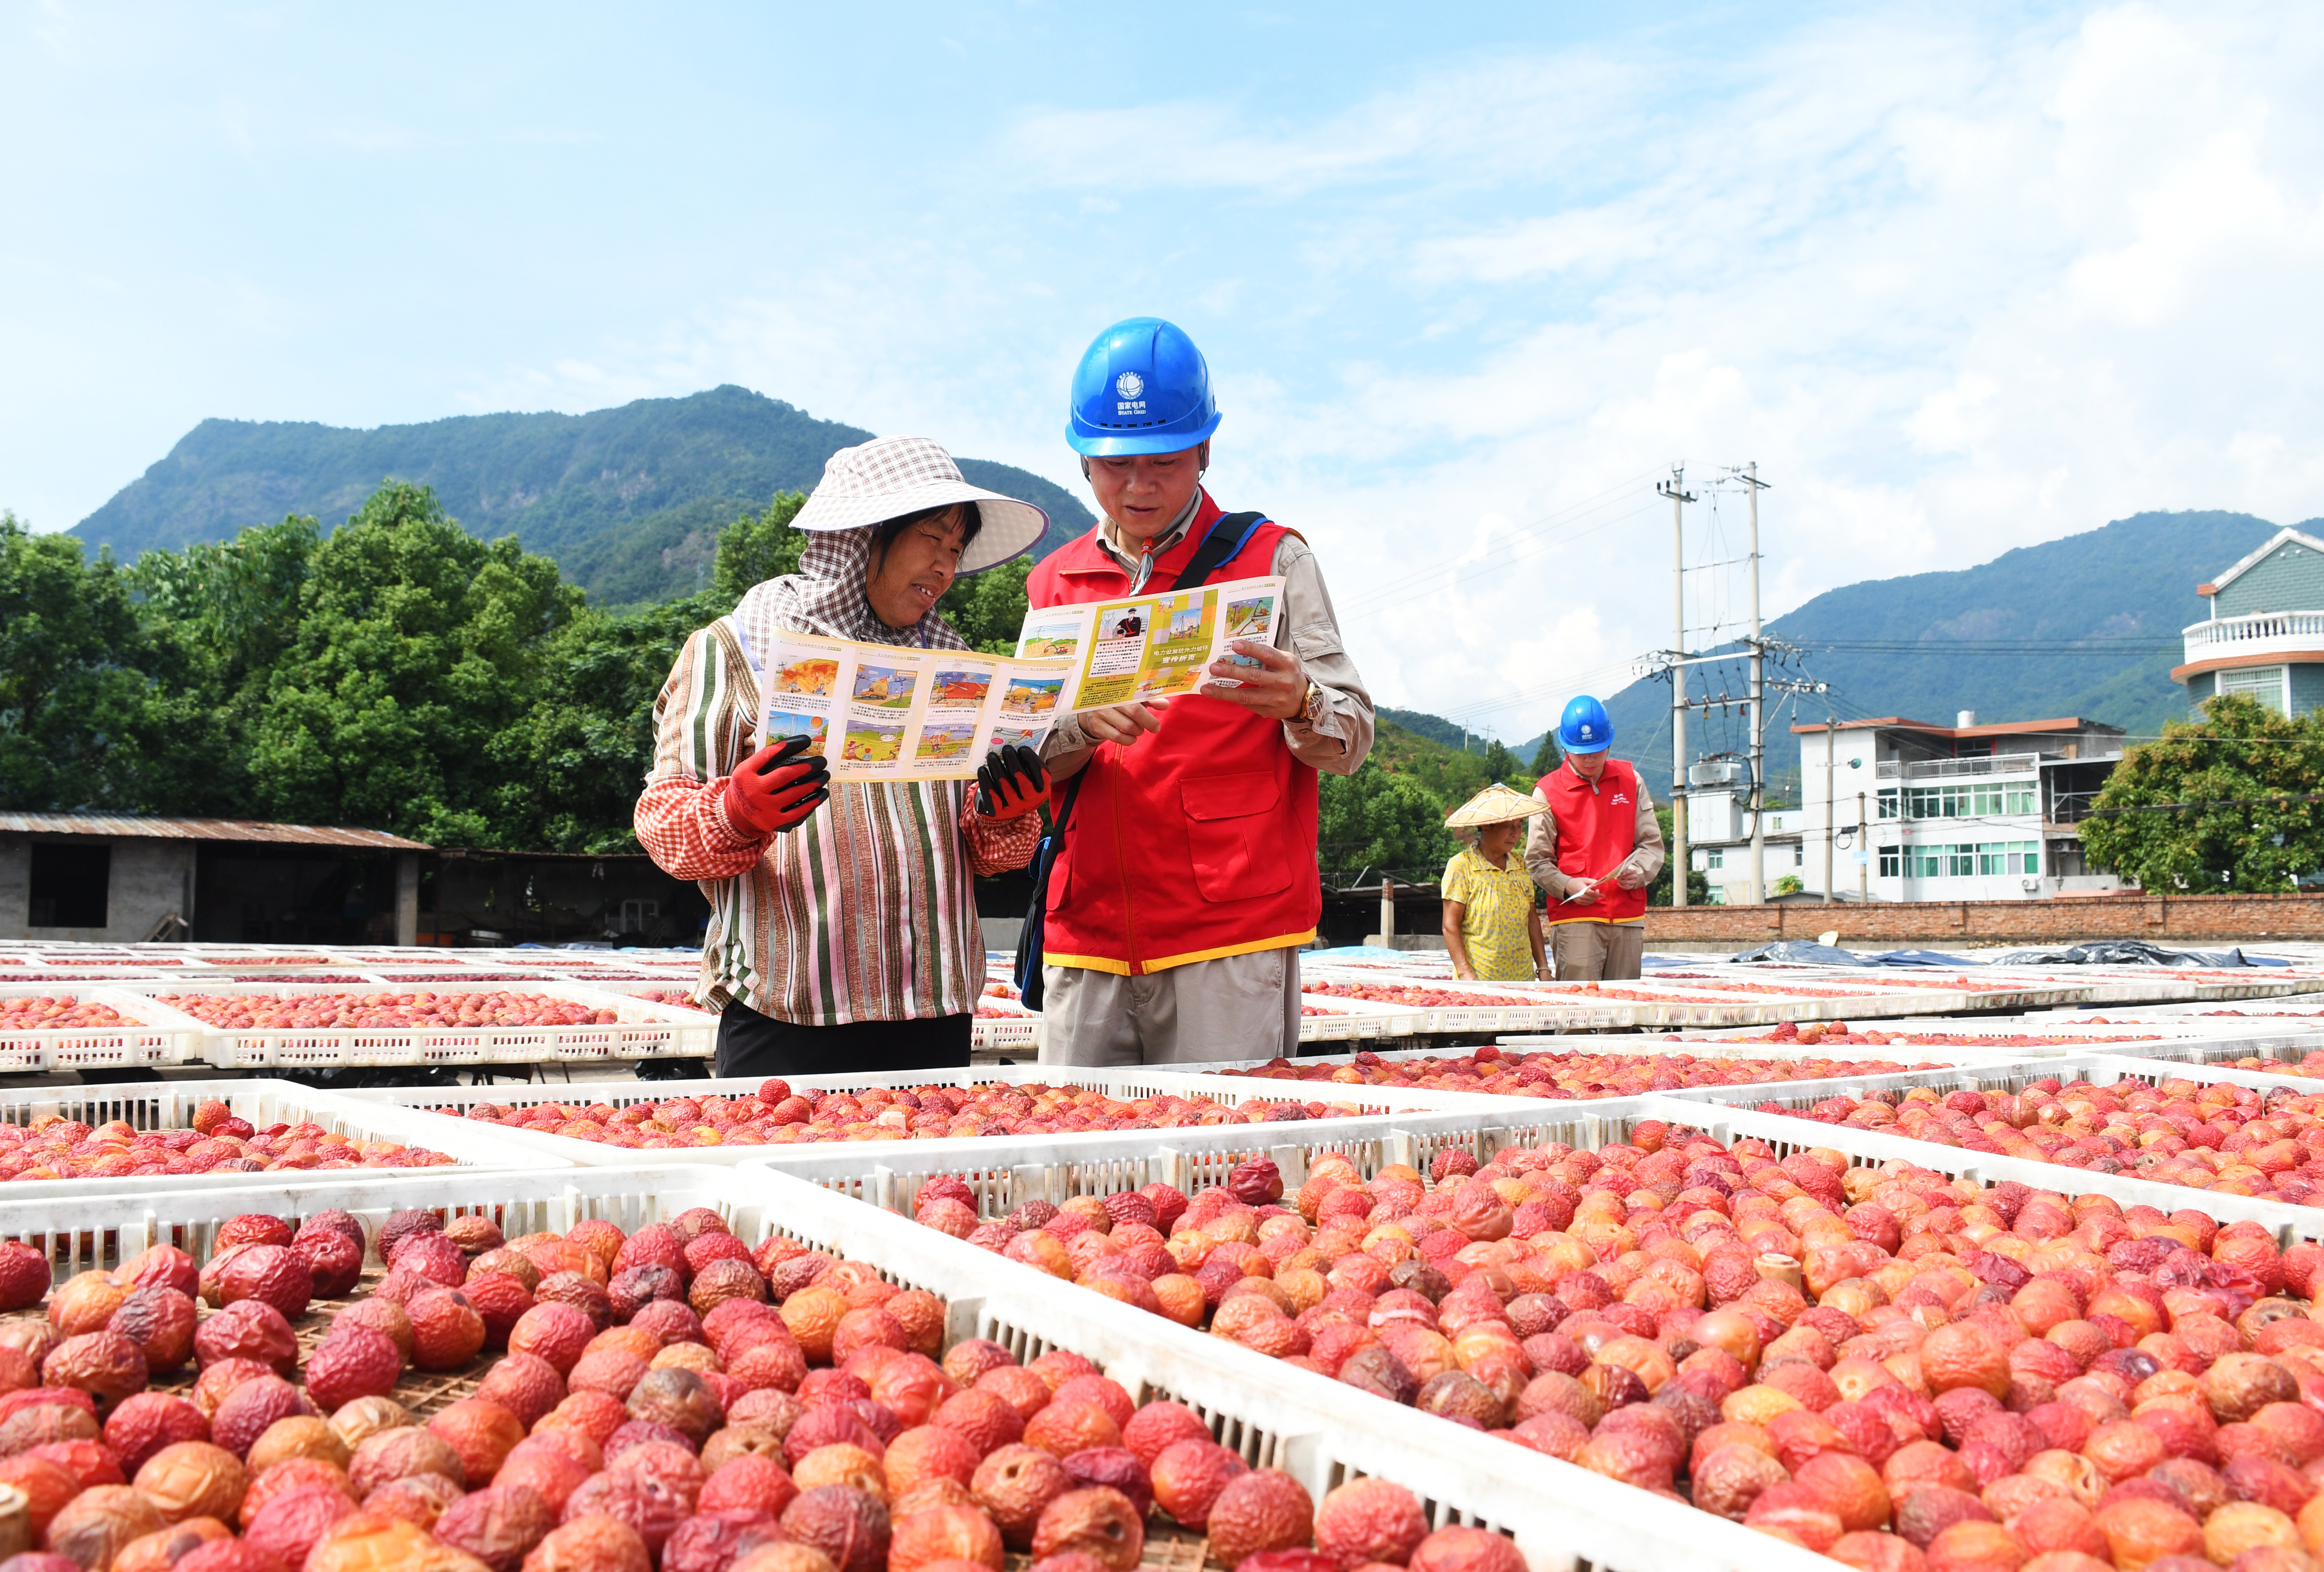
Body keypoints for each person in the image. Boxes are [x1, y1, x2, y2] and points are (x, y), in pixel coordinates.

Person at [633, 436, 1053, 1076]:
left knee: (926, 1179)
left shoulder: (949, 665)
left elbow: (980, 853)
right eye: (931, 539)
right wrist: (737, 811)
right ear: (864, 535)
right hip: (791, 1007)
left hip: (932, 1008)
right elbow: (664, 822)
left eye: (955, 549)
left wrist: (1003, 816)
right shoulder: (741, 645)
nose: (945, 567)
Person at [1031, 317, 1373, 1065]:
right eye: (1115, 465)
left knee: (1227, 1159)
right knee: (1079, 1159)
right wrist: (1077, 728)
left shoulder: (1273, 560)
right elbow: (1026, 762)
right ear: (1084, 461)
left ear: (1206, 451)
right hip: (1085, 929)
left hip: (1231, 930)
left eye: (1165, 462)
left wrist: (1302, 702)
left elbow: (1351, 734)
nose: (1139, 485)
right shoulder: (1053, 583)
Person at [1527, 695, 1664, 981]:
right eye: (1581, 752)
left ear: (1609, 744)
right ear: (1565, 747)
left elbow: (1651, 843)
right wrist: (1569, 885)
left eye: (1598, 750)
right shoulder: (1547, 791)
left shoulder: (1631, 780)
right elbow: (1538, 861)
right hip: (1576, 919)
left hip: (1627, 917)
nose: (1590, 759)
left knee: (1624, 1013)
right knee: (1577, 1014)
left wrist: (1638, 872)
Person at [1439, 784, 1550, 982]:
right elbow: (1450, 926)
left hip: (1522, 977)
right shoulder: (1462, 866)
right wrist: (1465, 973)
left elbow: (1532, 919)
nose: (1516, 834)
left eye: (1520, 826)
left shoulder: (1519, 865)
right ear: (1487, 827)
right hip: (1480, 978)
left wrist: (1543, 968)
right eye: (1509, 827)